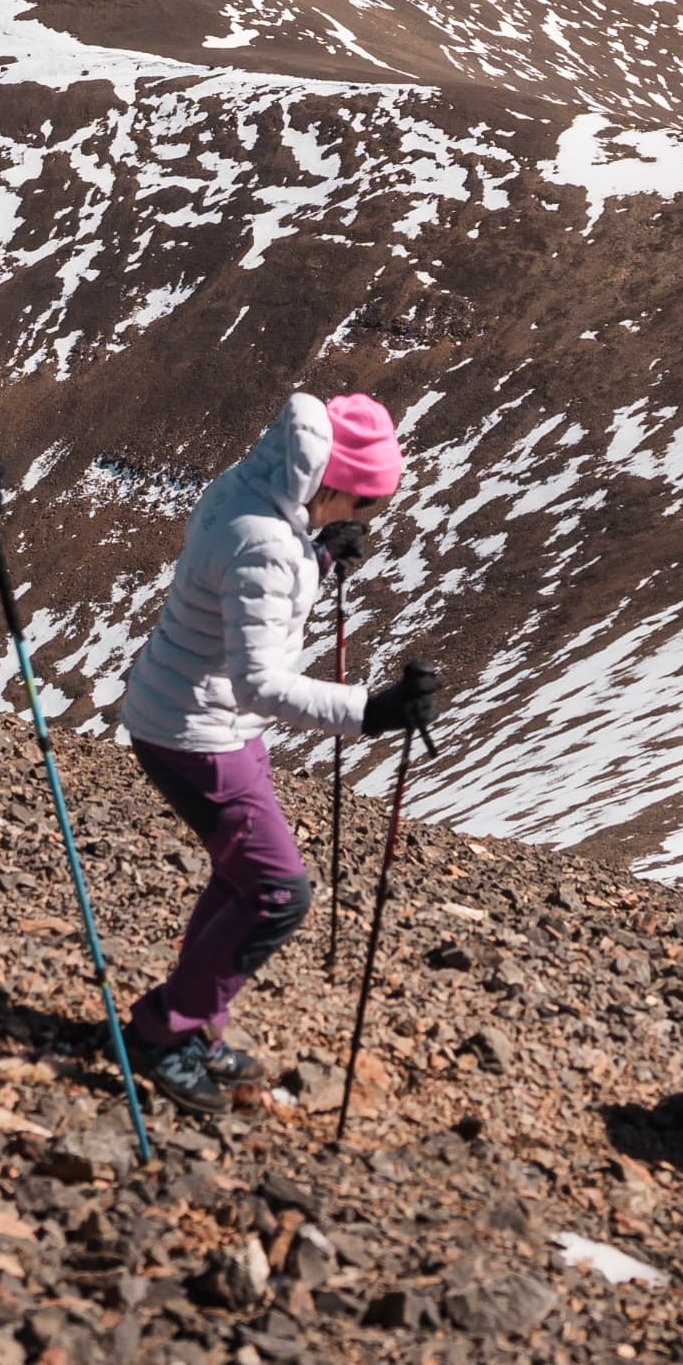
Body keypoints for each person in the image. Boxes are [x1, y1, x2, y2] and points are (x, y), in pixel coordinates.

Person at [112, 389, 438, 1111]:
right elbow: (259, 679)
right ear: (333, 482)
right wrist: (372, 710)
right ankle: (165, 1032)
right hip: (200, 732)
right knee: (277, 893)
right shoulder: (264, 537)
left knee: (241, 880)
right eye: (365, 504)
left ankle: (191, 1025)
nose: (367, 519)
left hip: (189, 716)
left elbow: (258, 597)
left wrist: (319, 557)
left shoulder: (252, 489)